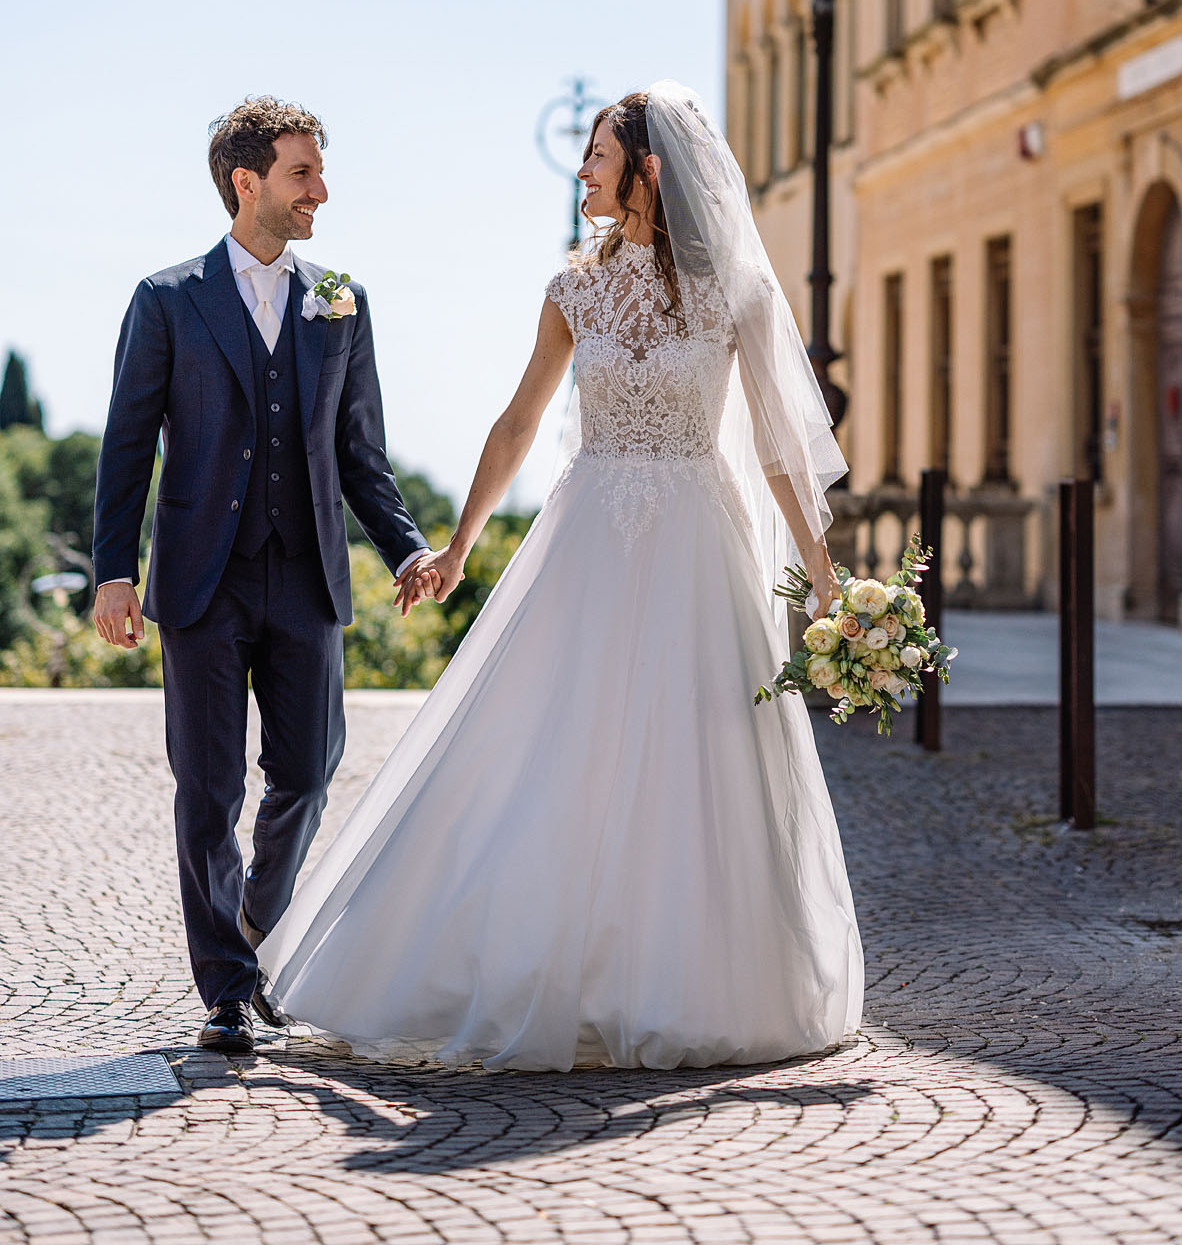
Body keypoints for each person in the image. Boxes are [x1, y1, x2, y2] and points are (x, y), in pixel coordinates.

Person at [259, 83, 863, 1070]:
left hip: (693, 545)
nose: (581, 168)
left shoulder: (735, 294)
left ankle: (677, 976)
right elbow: (516, 421)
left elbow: (776, 452)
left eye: (596, 152)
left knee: (689, 749)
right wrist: (454, 547)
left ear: (648, 168)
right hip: (585, 538)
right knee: (551, 740)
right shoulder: (570, 288)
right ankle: (545, 963)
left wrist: (826, 581)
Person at [92, 97, 434, 1055]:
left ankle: (251, 918)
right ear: (247, 184)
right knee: (207, 788)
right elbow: (127, 447)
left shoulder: (341, 298)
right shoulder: (166, 299)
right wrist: (114, 572)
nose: (321, 190)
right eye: (302, 174)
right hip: (202, 579)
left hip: (307, 576)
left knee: (310, 769)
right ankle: (227, 990)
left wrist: (404, 546)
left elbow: (361, 452)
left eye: (318, 172)